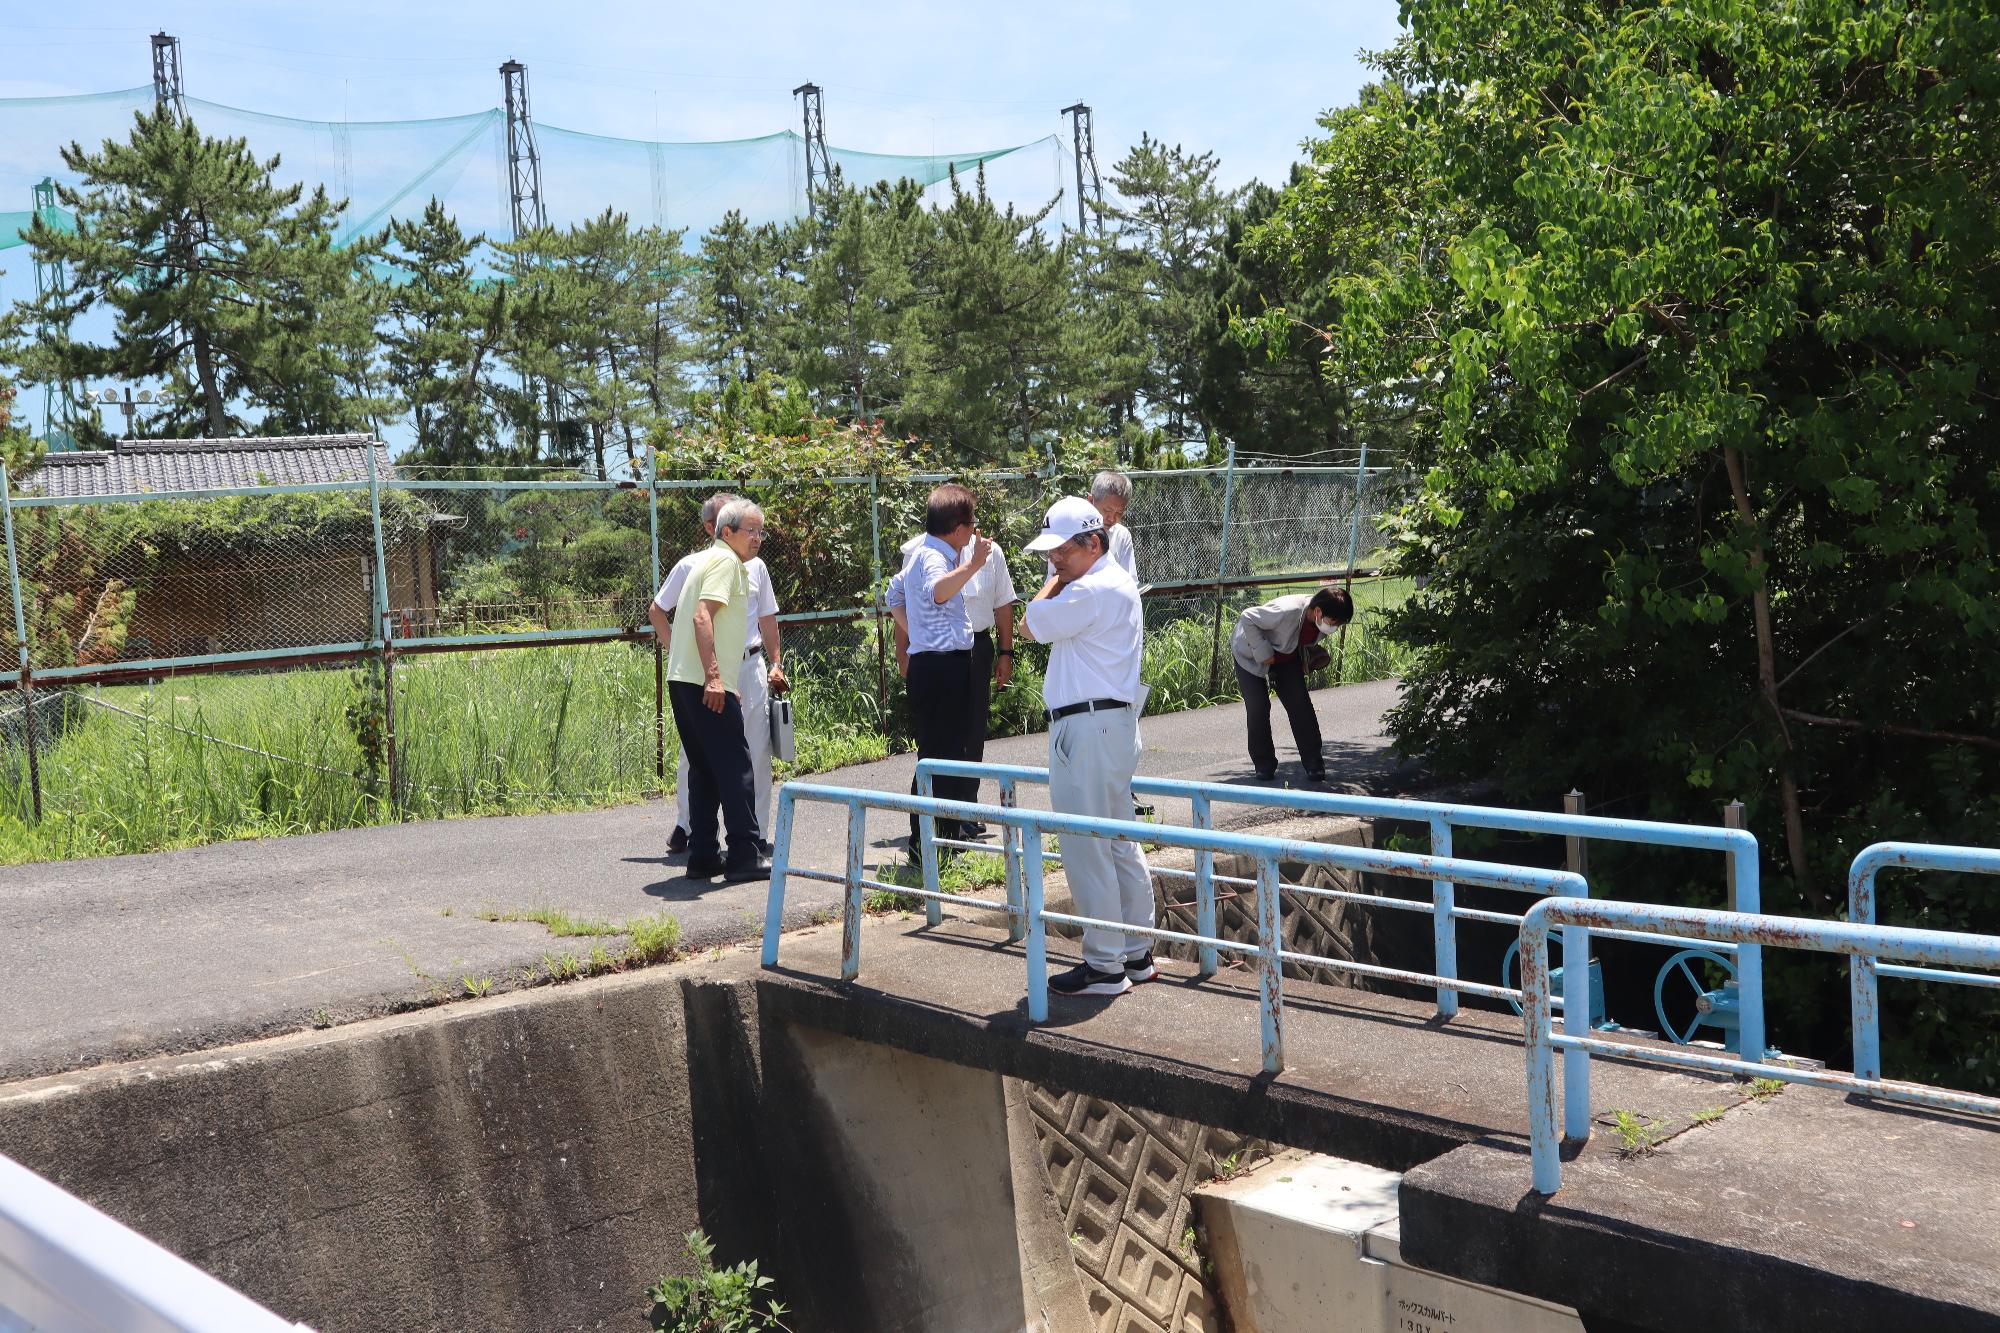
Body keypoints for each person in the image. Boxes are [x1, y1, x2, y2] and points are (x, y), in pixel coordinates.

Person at [1021, 495, 1152, 997]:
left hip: (1088, 727)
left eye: (1061, 551)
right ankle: (1137, 952)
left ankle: (1104, 965)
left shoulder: (1089, 590)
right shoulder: (1113, 582)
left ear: (1092, 542)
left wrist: (1055, 582)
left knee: (1085, 844)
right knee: (1118, 840)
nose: (1054, 560)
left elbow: (1031, 623)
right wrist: (1063, 574)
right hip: (1112, 725)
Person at [652, 493, 786, 856]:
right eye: (751, 530)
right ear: (718, 530)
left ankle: (724, 845)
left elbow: (766, 618)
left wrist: (775, 662)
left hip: (741, 666)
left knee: (747, 755)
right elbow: (687, 615)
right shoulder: (713, 564)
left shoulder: (750, 566)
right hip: (710, 675)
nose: (758, 538)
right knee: (720, 760)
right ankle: (726, 843)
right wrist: (708, 672)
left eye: (761, 531)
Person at [886, 527, 1018, 838]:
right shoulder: (922, 551)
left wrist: (1005, 652)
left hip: (976, 648)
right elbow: (902, 599)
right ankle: (934, 828)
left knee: (971, 733)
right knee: (937, 744)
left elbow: (1003, 604)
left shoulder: (989, 551)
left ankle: (964, 810)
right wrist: (903, 651)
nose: (974, 527)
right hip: (937, 656)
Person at [899, 484, 992, 845]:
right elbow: (938, 591)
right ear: (957, 527)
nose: (973, 531)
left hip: (941, 663)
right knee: (942, 756)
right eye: (971, 524)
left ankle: (941, 841)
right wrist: (973, 565)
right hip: (940, 668)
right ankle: (928, 844)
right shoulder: (932, 556)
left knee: (949, 751)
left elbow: (895, 594)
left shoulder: (927, 553)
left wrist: (917, 632)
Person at [1230, 585, 1354, 785]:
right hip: (1249, 655)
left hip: (1286, 658)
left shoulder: (1317, 618)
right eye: (1334, 622)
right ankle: (1264, 766)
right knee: (1258, 707)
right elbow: (1248, 617)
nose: (1334, 628)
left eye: (1339, 624)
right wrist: (1263, 652)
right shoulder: (1287, 610)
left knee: (1300, 705)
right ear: (1318, 612)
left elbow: (1296, 640)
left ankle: (1315, 765)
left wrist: (1308, 656)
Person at [1089, 471, 1138, 582]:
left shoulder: (1121, 535)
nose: (1112, 518)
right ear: (1091, 500)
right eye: (1107, 510)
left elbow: (1130, 581)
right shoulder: (1072, 531)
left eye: (1119, 513)